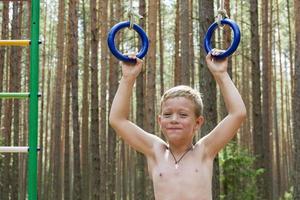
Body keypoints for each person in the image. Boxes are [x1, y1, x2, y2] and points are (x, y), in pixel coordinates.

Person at [109, 50, 247, 200]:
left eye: (183, 115)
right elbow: (117, 120)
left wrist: (221, 74)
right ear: (160, 121)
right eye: (168, 115)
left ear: (198, 123)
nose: (174, 120)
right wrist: (128, 78)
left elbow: (237, 113)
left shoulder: (204, 151)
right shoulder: (155, 151)